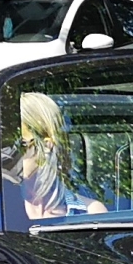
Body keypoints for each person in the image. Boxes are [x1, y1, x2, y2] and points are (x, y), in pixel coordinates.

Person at [13, 91, 108, 223]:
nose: (9, 153)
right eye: (4, 145)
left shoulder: (91, 213)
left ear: (47, 145)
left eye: (19, 144)